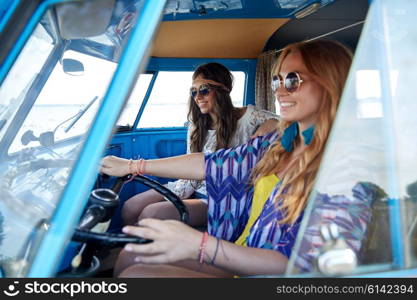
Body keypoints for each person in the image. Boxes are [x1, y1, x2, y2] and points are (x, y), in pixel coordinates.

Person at [101, 39, 354, 277]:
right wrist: (132, 165)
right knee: (130, 257)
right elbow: (211, 162)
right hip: (246, 244)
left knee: (137, 272)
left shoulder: (343, 169)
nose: (279, 92)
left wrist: (200, 244)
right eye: (276, 81)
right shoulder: (277, 143)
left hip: (266, 271)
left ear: (331, 82)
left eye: (292, 80)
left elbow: (301, 264)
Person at [122, 62, 279, 226]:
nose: (198, 97)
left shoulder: (250, 117)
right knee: (130, 207)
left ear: (223, 90)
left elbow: (295, 121)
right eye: (194, 91)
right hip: (190, 185)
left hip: (222, 197)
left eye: (204, 90)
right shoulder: (196, 125)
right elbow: (191, 165)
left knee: (151, 214)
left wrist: (274, 122)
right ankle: (135, 249)